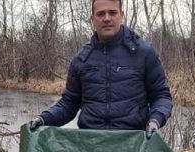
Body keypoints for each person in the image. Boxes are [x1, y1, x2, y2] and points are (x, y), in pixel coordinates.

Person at [30, 0, 172, 138]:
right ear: (92, 18)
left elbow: (161, 95)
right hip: (91, 146)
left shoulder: (144, 53)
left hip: (134, 146)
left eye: (112, 12)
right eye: (101, 14)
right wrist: (43, 119)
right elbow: (69, 104)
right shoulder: (81, 59)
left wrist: (155, 121)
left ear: (121, 15)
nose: (107, 18)